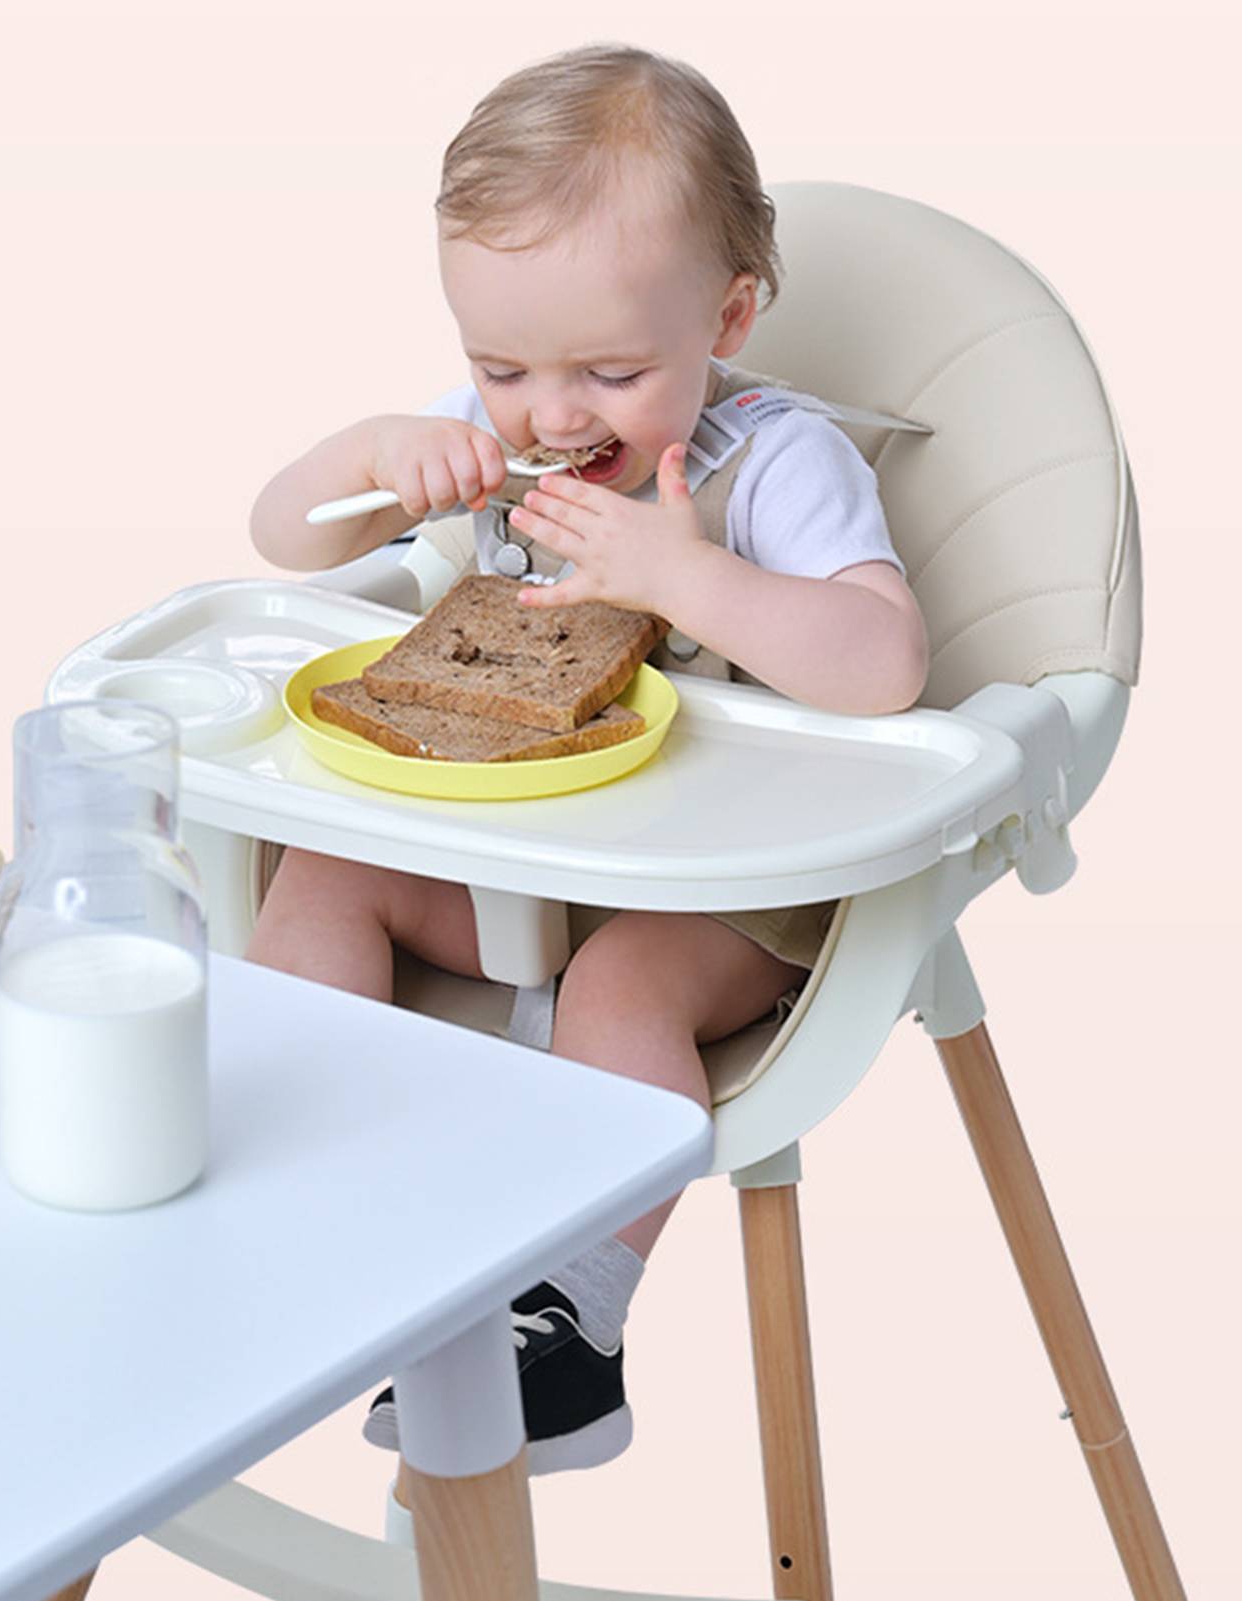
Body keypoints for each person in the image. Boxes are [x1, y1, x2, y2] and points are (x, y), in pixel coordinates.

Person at [246, 42, 929, 1477]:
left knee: (623, 989)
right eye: (503, 368)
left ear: (726, 315)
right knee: (323, 870)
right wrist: (371, 452)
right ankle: (302, 1179)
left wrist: (686, 577)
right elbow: (281, 541)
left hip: (715, 896)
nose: (552, 418)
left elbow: (883, 665)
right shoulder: (491, 444)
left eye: (612, 372)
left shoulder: (773, 462)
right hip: (519, 865)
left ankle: (568, 1325)